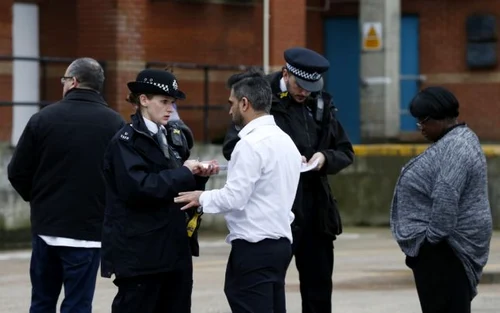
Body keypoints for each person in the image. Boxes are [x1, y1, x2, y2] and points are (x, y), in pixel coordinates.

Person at [221, 47, 354, 313]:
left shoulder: (321, 103)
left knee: (318, 287)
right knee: (267, 287)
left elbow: (345, 151)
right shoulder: (260, 98)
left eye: (310, 87)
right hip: (278, 207)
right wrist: (279, 158)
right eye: (300, 85)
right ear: (285, 73)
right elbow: (232, 145)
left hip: (315, 205)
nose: (304, 92)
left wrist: (323, 158)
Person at [174, 69, 302, 313]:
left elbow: (235, 197)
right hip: (280, 244)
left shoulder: (249, 145)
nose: (230, 109)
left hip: (255, 247)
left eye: (231, 103)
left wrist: (201, 197)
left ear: (245, 103)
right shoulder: (286, 141)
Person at [7, 57, 126, 313]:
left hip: (47, 227)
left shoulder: (43, 119)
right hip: (89, 232)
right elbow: (123, 179)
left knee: (41, 301)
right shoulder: (115, 124)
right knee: (78, 304)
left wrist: (38, 199)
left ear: (72, 82)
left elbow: (17, 171)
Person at [100, 68, 217, 313]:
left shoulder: (174, 137)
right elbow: (139, 188)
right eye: (164, 102)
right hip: (141, 255)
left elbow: (177, 189)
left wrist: (198, 178)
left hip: (174, 250)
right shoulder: (125, 142)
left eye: (172, 103)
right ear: (143, 100)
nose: (170, 109)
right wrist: (185, 172)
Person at [390, 86, 493, 313]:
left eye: (423, 121)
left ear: (440, 118)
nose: (420, 128)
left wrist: (429, 242)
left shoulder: (455, 148)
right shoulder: (459, 139)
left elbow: (446, 199)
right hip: (443, 250)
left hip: (446, 251)